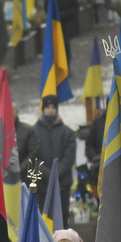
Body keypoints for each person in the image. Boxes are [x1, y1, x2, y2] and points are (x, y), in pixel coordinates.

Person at [34, 96, 77, 228]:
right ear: (43, 109)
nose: (50, 110)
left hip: (61, 186)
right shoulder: (33, 132)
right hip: (41, 186)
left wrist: (56, 174)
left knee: (61, 221)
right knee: (42, 222)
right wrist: (48, 174)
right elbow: (32, 157)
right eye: (47, 107)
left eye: (53, 107)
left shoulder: (67, 132)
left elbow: (69, 157)